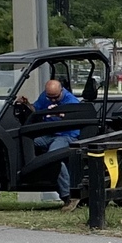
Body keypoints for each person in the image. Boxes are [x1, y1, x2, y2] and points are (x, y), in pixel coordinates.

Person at [32, 74, 84, 207]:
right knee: (29, 143)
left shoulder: (71, 101)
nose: (53, 100)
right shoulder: (45, 96)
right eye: (50, 97)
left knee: (53, 157)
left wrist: (60, 114)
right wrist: (26, 104)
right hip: (49, 134)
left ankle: (68, 196)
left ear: (62, 91)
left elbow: (77, 119)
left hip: (66, 135)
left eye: (56, 97)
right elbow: (36, 109)